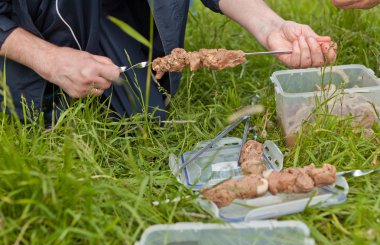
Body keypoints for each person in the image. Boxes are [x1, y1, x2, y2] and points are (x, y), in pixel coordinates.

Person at [0, 0, 337, 123]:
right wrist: (49, 59)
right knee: (44, 110)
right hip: (20, 19)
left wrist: (272, 28)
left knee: (142, 115)